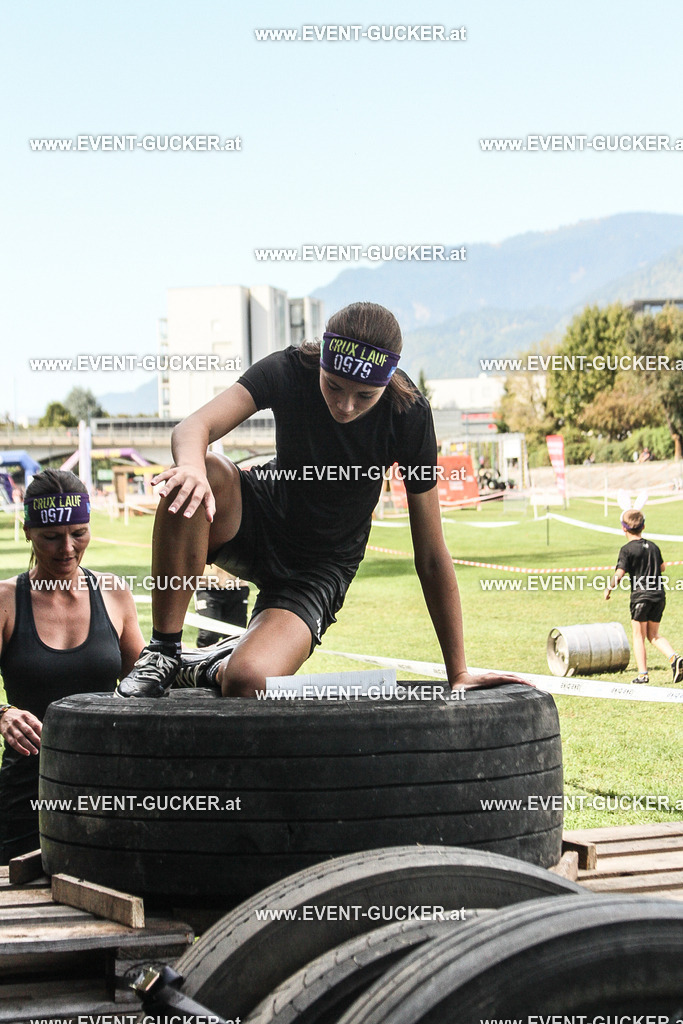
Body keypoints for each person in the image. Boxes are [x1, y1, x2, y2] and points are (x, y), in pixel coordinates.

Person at [117, 301, 524, 699]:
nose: (345, 406)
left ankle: (214, 664)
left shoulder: (409, 414)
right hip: (259, 520)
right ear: (322, 363)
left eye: (365, 395)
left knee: (247, 682)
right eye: (333, 386)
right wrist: (190, 467)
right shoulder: (289, 369)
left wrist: (458, 672)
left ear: (387, 381)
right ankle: (163, 651)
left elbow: (432, 555)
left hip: (319, 568)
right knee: (198, 473)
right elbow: (194, 426)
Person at [0, 469, 144, 862]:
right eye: (51, 536)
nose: (67, 548)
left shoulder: (113, 593)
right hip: (28, 793)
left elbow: (146, 684)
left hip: (106, 787)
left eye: (78, 533)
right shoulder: (7, 600)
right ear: (28, 532)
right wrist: (3, 713)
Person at [605, 507, 683, 685]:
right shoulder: (653, 546)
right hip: (658, 595)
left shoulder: (626, 550)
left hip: (641, 596)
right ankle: (675, 658)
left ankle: (643, 675)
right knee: (653, 634)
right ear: (644, 526)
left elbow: (620, 573)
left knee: (638, 635)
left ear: (623, 528)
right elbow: (662, 567)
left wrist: (609, 588)